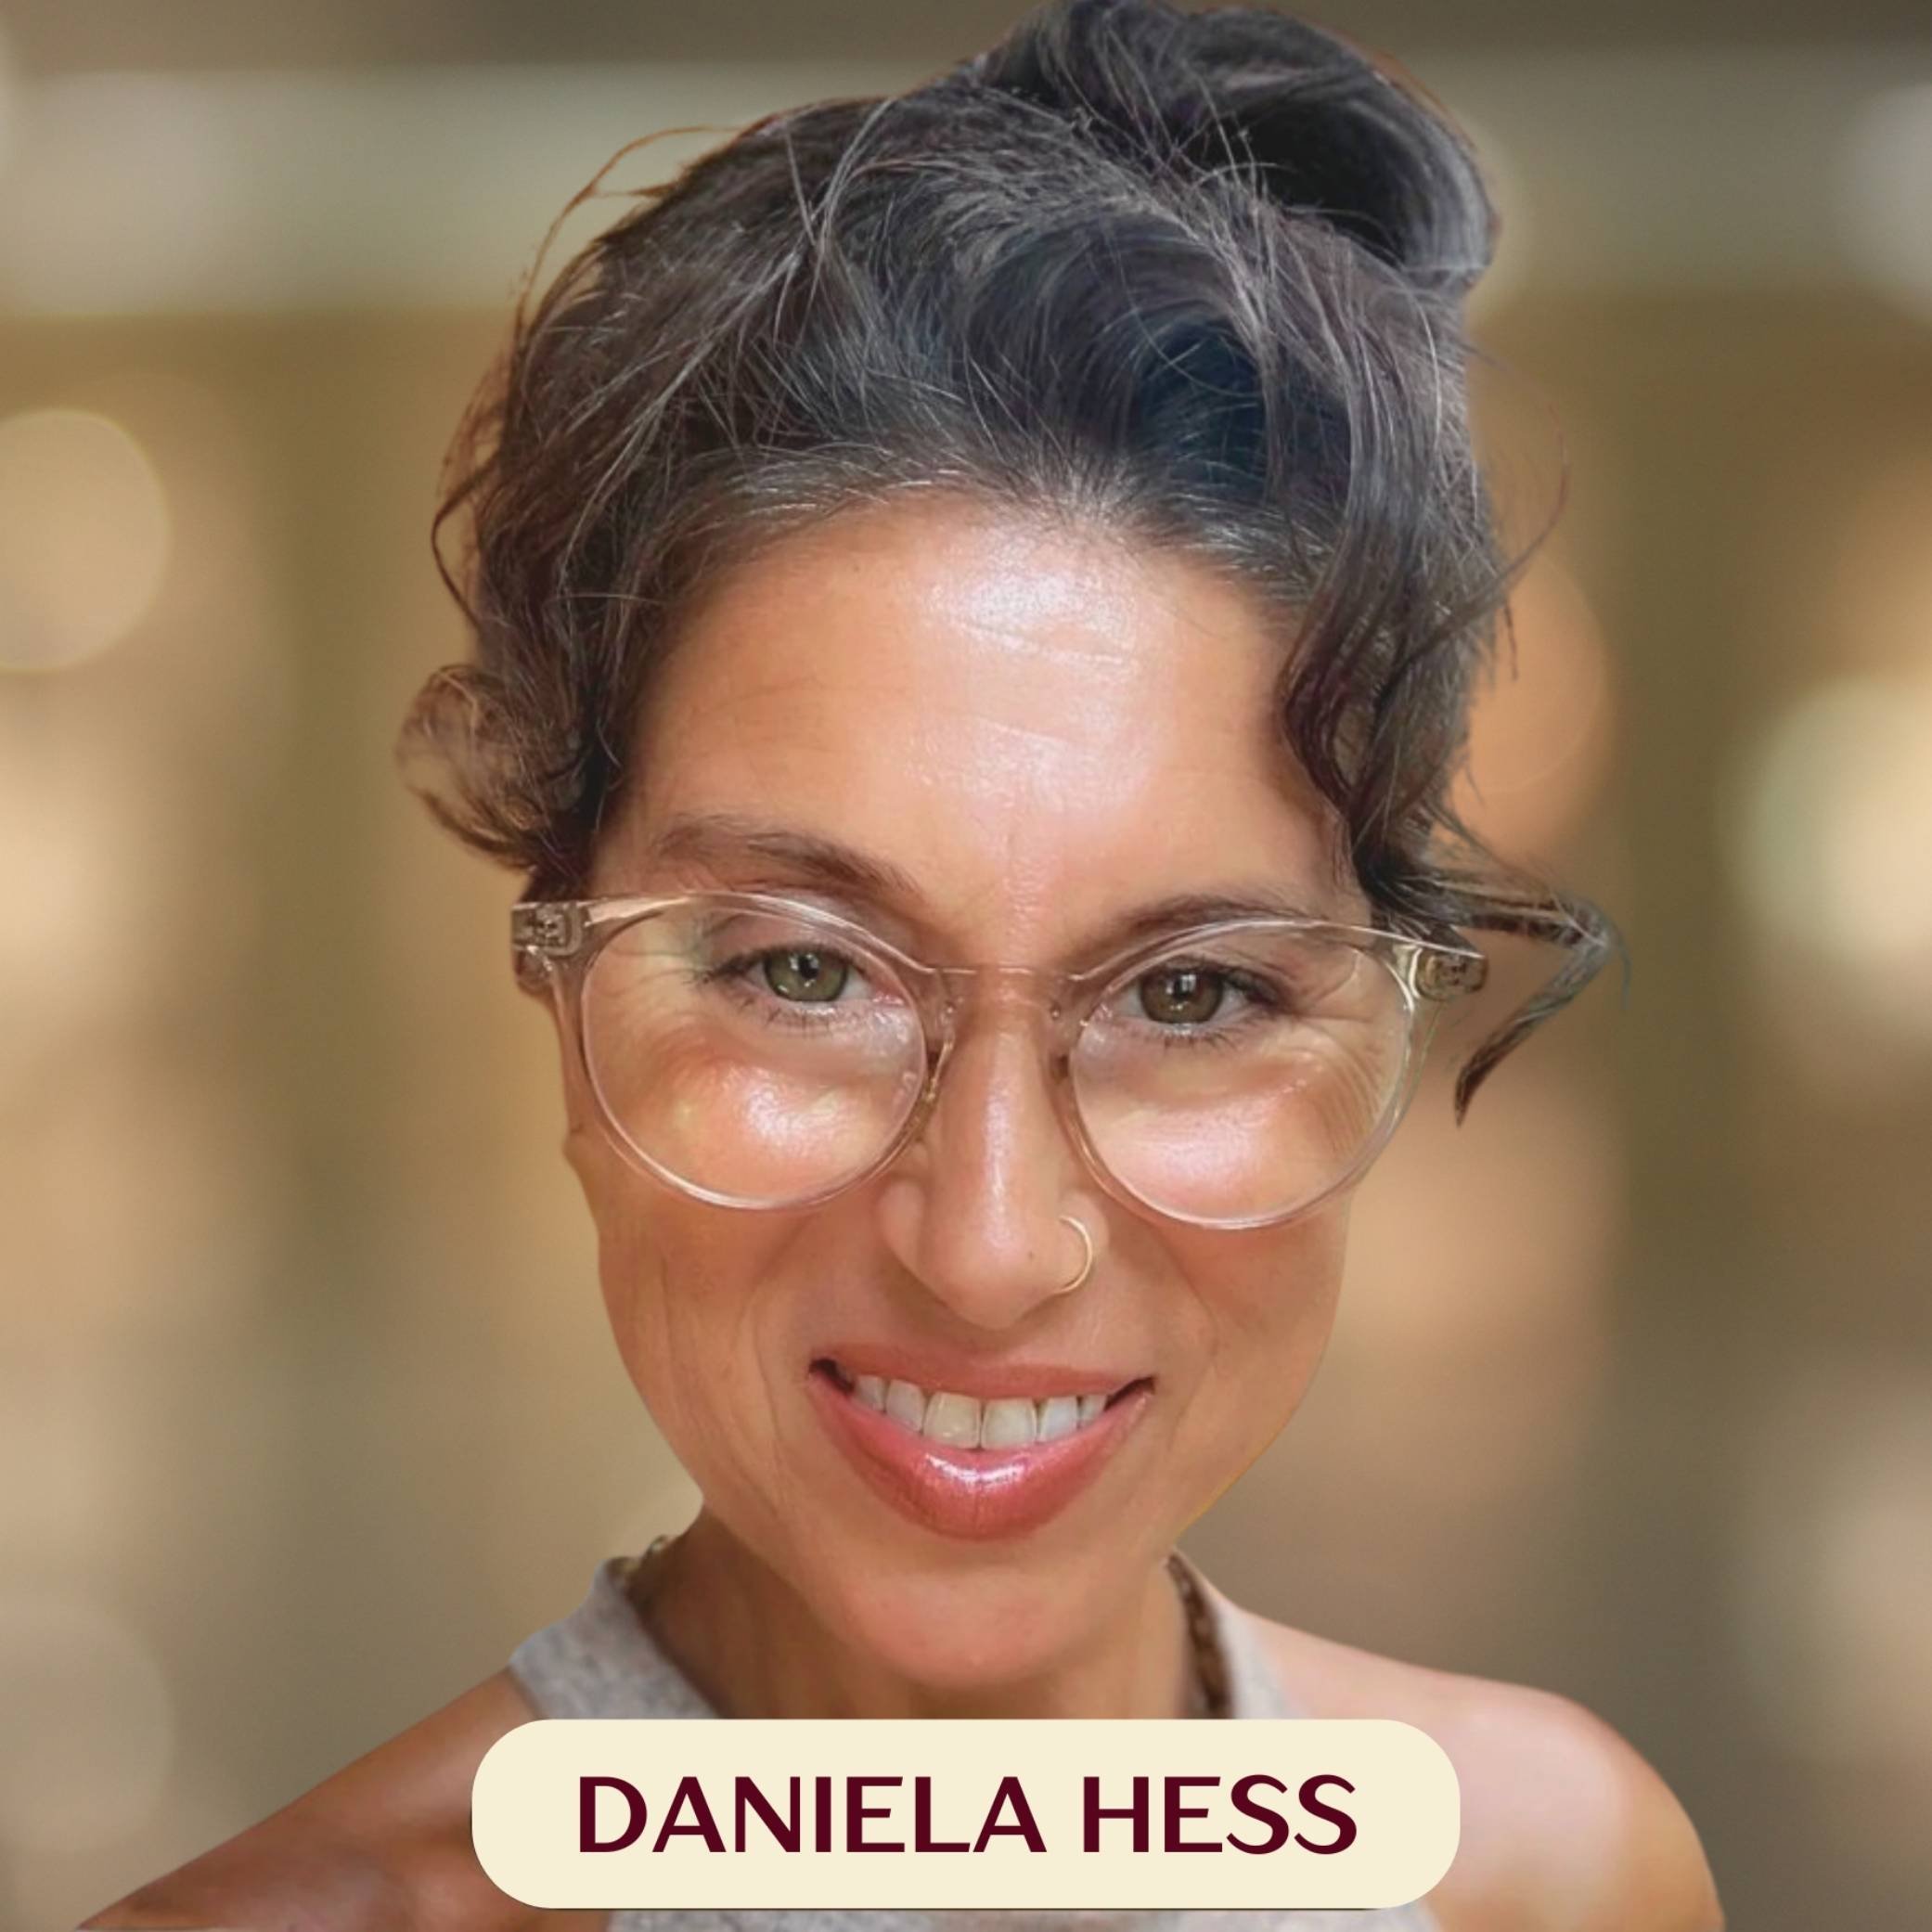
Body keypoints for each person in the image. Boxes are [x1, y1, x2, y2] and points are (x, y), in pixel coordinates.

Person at [83, 2, 1723, 1927]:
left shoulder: (1550, 1875)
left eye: (1190, 994)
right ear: (559, 985)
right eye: (802, 972)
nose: (991, 1243)